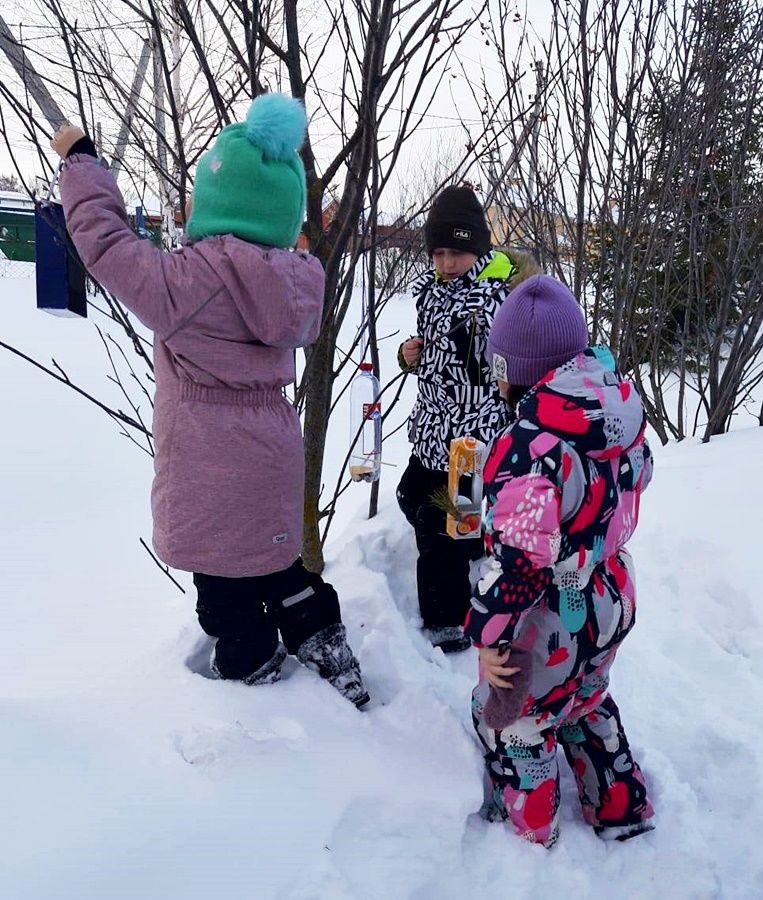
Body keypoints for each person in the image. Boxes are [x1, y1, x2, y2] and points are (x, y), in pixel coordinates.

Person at [50, 93, 369, 707]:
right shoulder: (298, 280)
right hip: (273, 459)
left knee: (226, 594)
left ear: (217, 203)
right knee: (283, 570)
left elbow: (106, 243)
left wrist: (83, 163)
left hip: (210, 472)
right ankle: (327, 646)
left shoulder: (182, 284)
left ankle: (255, 680)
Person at [466, 274, 655, 845]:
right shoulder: (614, 418)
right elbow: (637, 476)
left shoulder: (527, 449)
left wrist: (489, 634)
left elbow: (519, 563)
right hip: (609, 596)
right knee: (588, 698)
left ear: (514, 371)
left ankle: (531, 828)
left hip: (550, 619)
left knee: (522, 717)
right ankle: (621, 806)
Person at [396, 185, 539, 652]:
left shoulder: (500, 296)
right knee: (410, 496)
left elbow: (514, 360)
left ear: (476, 247)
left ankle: (448, 619)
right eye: (437, 252)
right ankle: (474, 540)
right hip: (434, 428)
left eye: (455, 251)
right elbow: (432, 348)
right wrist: (409, 355)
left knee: (441, 532)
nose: (445, 262)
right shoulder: (433, 291)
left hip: (471, 441)